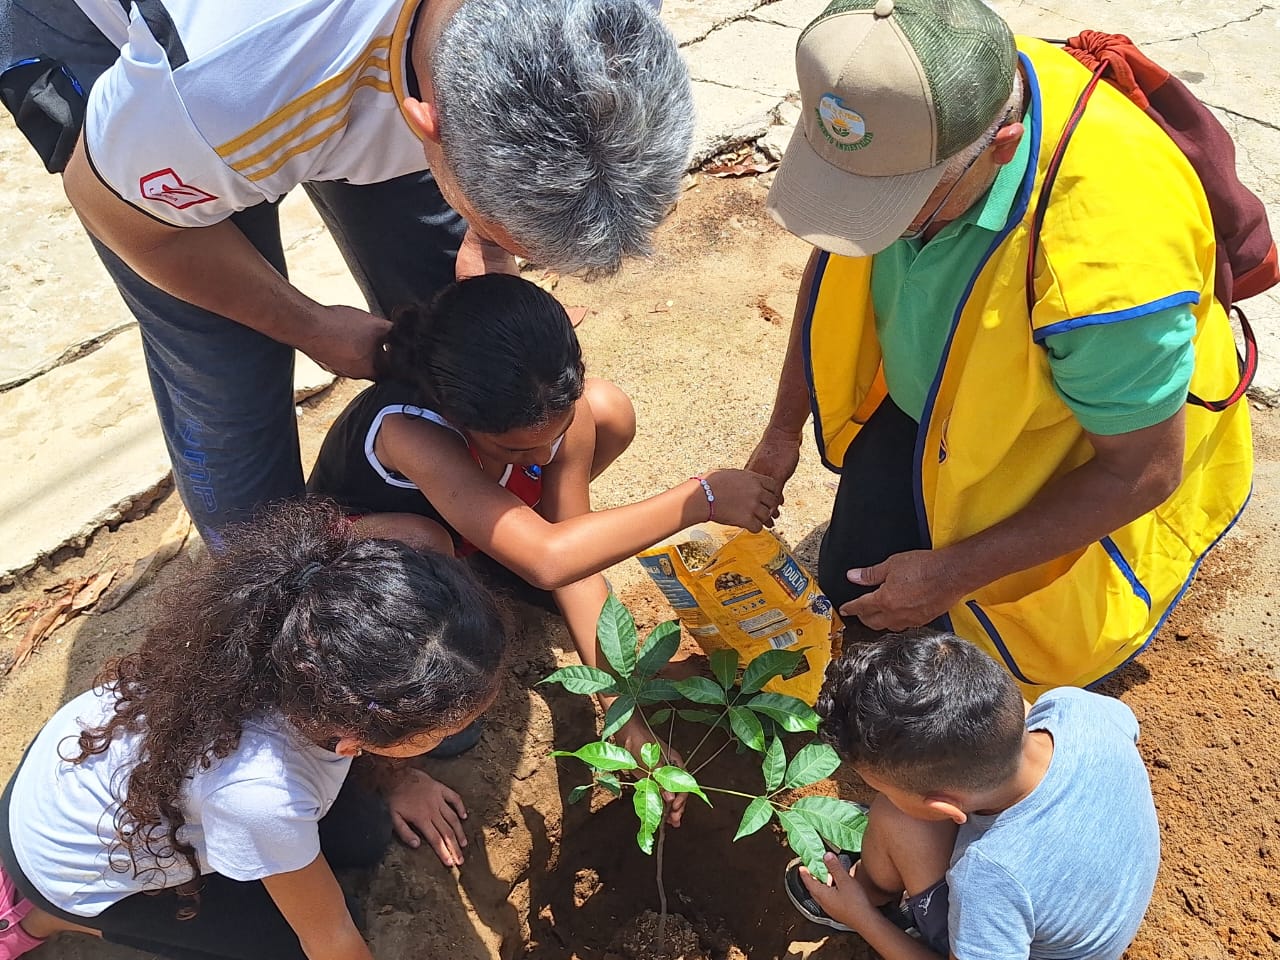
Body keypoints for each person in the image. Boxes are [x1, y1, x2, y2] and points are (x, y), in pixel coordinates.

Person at [0, 0, 689, 541]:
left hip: (342, 68)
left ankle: (474, 531)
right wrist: (306, 324)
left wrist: (488, 236)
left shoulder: (612, 28)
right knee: (230, 365)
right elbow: (117, 212)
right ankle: (274, 611)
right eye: (497, 223)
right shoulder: (215, 90)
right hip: (146, 77)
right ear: (427, 121)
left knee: (455, 315)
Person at [745, 0, 1253, 695]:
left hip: (1070, 446)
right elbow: (842, 245)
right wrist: (782, 432)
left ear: (1002, 146)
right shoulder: (933, 90)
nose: (870, 228)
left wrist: (953, 573)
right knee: (853, 588)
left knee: (974, 672)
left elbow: (1143, 471)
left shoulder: (1109, 270)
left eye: (895, 206)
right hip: (939, 404)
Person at [307, 273, 782, 807]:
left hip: (469, 536)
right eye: (514, 451)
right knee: (426, 539)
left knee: (609, 410)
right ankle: (397, 763)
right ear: (456, 415)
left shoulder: (550, 415)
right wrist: (702, 499)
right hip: (368, 576)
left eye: (554, 435)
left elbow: (571, 562)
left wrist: (621, 711)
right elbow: (549, 559)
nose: (541, 457)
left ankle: (490, 562)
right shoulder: (409, 430)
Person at [0, 499, 507, 960]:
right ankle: (46, 917)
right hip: (70, 863)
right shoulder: (262, 796)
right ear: (357, 737)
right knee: (299, 941)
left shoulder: (299, 636)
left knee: (365, 839)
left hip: (89, 769)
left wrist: (402, 778)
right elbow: (329, 940)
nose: (452, 735)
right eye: (440, 730)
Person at [786, 630, 1160, 960]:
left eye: (879, 786)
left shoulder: (988, 877)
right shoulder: (1075, 708)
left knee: (894, 818)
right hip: (1099, 896)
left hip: (1023, 940)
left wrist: (862, 919)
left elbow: (995, 882)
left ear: (946, 808)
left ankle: (867, 897)